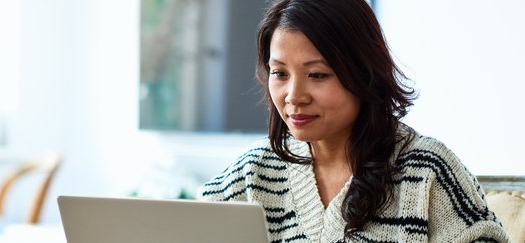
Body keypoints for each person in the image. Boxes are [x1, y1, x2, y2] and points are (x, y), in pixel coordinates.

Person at [197, 0, 511, 242]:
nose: (294, 96)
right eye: (280, 73)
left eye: (317, 75)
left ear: (362, 72)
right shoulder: (253, 172)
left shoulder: (426, 170)